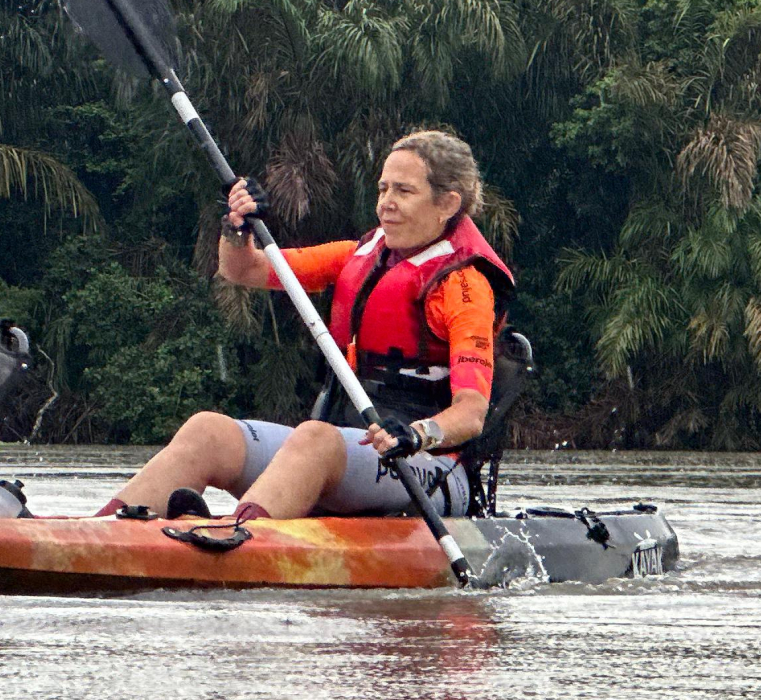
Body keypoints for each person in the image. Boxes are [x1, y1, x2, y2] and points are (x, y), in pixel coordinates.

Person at [101, 129, 511, 523]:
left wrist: (416, 435)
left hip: (427, 468)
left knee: (315, 438)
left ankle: (239, 538)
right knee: (207, 431)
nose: (386, 203)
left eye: (404, 191)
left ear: (447, 204)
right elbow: (243, 270)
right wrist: (237, 229)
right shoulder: (358, 256)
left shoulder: (465, 287)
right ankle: (102, 532)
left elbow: (471, 414)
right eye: (383, 189)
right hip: (340, 450)